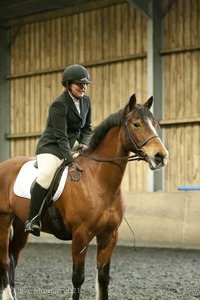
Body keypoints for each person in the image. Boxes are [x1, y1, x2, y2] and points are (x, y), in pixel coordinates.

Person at [25, 64, 92, 237]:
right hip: (52, 147)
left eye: (85, 84)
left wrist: (84, 143)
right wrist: (69, 158)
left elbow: (87, 128)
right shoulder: (59, 105)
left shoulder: (86, 101)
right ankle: (32, 218)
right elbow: (61, 136)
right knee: (47, 175)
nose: (83, 87)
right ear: (68, 84)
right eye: (79, 83)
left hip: (71, 145)